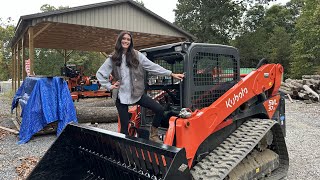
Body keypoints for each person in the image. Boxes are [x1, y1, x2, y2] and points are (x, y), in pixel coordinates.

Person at [96, 31, 184, 143]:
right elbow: (100, 73)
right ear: (119, 41)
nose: (126, 41)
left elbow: (152, 66)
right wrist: (109, 86)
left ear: (130, 42)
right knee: (124, 128)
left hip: (136, 93)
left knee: (159, 109)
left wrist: (171, 74)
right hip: (121, 96)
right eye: (124, 39)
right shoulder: (113, 58)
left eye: (128, 39)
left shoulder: (136, 55)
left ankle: (153, 133)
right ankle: (125, 152)